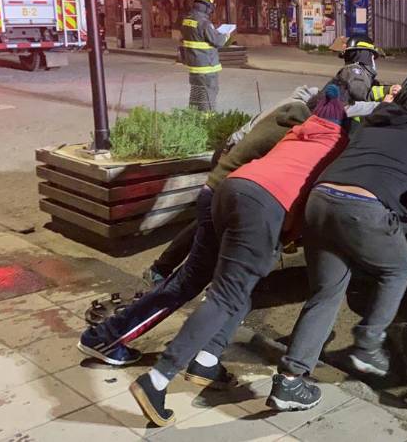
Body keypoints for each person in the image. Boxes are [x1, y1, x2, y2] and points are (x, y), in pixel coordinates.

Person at [79, 87, 376, 367]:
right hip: (232, 201)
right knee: (197, 282)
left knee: (222, 284)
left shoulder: (290, 116)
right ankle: (107, 337)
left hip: (222, 194)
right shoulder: (302, 135)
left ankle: (203, 358)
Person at [129, 89, 349, 427]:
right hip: (260, 207)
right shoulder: (336, 147)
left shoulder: (299, 132)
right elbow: (312, 199)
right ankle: (157, 379)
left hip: (230, 189)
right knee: (225, 295)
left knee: (239, 289)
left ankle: (206, 358)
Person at [267, 88, 407, 412]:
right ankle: (368, 343)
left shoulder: (372, 124)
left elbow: (378, 166)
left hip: (320, 201)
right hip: (362, 208)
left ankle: (289, 379)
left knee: (326, 294)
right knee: (398, 269)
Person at [181, 0, 228, 111]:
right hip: (207, 67)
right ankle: (208, 120)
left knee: (196, 94)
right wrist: (226, 36)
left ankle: (194, 117)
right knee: (208, 94)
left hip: (194, 66)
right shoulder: (204, 23)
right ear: (207, 8)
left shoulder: (186, 20)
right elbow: (217, 41)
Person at [332, 35, 397, 103]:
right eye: (372, 57)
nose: (373, 61)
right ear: (365, 55)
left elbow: (373, 87)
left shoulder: (359, 74)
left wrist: (391, 88)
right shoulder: (354, 71)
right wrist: (387, 91)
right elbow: (361, 96)